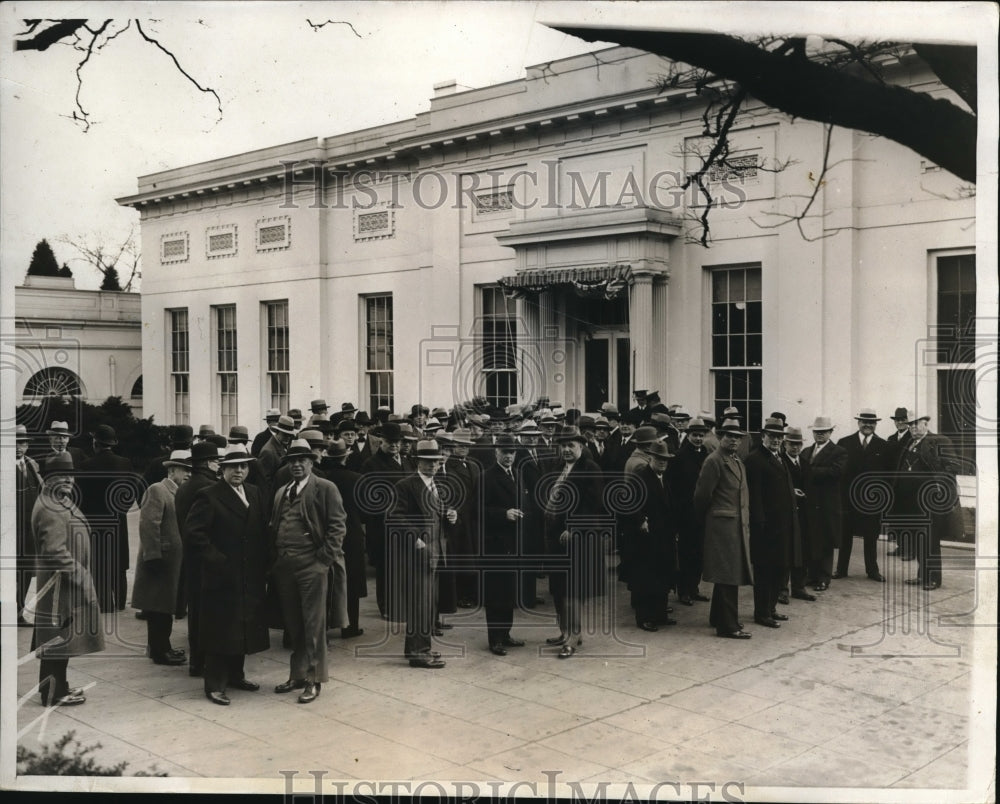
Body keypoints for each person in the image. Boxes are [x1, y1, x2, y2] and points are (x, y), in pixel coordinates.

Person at [183, 444, 269, 705]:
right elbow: (193, 534)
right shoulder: (209, 495)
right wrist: (217, 561)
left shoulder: (254, 493)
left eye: (243, 466)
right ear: (222, 469)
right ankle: (214, 684)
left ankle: (236, 675)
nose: (239, 471)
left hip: (248, 574)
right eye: (233, 467)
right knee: (220, 630)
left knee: (241, 627)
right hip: (220, 575)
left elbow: (261, 530)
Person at [268, 439, 347, 704]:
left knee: (314, 625)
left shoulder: (325, 488)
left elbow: (338, 527)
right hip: (284, 566)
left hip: (311, 565)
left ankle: (314, 679)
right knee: (293, 625)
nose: (297, 464)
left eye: (302, 460)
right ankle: (298, 674)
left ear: (312, 462)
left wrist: (322, 560)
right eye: (292, 460)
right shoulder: (282, 491)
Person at [31, 452, 105, 706]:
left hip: (61, 586)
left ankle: (55, 688)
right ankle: (54, 693)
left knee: (58, 641)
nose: (68, 480)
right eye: (61, 475)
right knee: (58, 642)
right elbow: (55, 552)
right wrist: (81, 575)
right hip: (61, 586)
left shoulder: (56, 499)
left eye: (71, 475)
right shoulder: (51, 508)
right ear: (49, 479)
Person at [388, 440, 456, 669]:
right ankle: (418, 652)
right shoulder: (406, 485)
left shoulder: (437, 484)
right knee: (420, 604)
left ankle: (418, 648)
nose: (432, 466)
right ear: (418, 461)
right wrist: (416, 540)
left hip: (437, 551)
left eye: (436, 462)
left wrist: (451, 515)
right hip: (419, 553)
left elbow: (440, 511)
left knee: (429, 604)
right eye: (428, 462)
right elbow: (395, 517)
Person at [541, 425, 606, 658]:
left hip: (578, 539)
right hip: (555, 538)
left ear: (581, 446)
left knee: (572, 590)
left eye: (571, 445)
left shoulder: (590, 468)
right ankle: (563, 631)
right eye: (563, 445)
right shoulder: (557, 467)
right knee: (558, 588)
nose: (566, 449)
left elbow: (594, 505)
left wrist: (574, 527)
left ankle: (573, 635)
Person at [693, 419, 753, 639]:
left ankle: (718, 617)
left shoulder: (736, 460)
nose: (734, 440)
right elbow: (701, 496)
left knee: (728, 573)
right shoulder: (714, 461)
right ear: (720, 437)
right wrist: (710, 519)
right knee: (729, 575)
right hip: (722, 527)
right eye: (729, 436)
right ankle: (728, 626)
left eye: (738, 437)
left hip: (735, 525)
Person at [132, 450, 192, 665]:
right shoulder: (158, 490)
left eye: (190, 470)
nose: (188, 474)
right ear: (171, 469)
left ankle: (163, 647)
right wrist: (154, 557)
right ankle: (159, 651)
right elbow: (149, 525)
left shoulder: (179, 492)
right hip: (159, 561)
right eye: (184, 469)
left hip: (170, 562)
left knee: (165, 608)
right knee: (158, 608)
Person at [174, 441, 222, 677]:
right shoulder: (209, 487)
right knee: (209, 613)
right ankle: (203, 662)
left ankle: (196, 661)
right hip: (206, 556)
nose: (217, 465)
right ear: (206, 463)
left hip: (190, 557)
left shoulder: (184, 486)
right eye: (215, 460)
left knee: (195, 611)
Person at [897, 412, 959, 590]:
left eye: (917, 424)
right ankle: (921, 575)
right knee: (918, 538)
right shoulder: (910, 443)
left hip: (929, 500)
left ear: (926, 424)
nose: (913, 427)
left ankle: (934, 578)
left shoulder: (940, 441)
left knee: (930, 539)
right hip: (910, 501)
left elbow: (952, 466)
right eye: (910, 425)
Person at [745, 418, 797, 629]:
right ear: (763, 436)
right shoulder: (755, 459)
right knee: (764, 572)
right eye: (772, 436)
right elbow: (755, 497)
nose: (776, 440)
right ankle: (762, 612)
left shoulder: (779, 458)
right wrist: (759, 525)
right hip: (766, 528)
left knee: (779, 569)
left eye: (779, 436)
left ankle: (771, 608)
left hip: (782, 526)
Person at [79, 424, 135, 612]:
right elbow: (131, 492)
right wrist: (122, 511)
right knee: (119, 563)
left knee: (99, 563)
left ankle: (104, 603)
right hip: (118, 520)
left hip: (95, 522)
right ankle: (120, 602)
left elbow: (81, 497)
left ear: (95, 443)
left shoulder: (86, 466)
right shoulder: (125, 463)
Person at [481, 434, 528, 655]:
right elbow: (477, 512)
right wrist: (503, 514)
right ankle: (495, 638)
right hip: (496, 544)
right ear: (496, 452)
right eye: (504, 452)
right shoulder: (486, 477)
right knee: (496, 592)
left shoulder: (518, 474)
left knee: (509, 590)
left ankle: (506, 633)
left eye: (512, 453)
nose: (509, 456)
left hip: (514, 542)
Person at [320, 438, 369, 638]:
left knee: (327, 578)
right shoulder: (357, 478)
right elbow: (366, 511)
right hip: (352, 533)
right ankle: (351, 626)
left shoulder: (322, 479)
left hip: (327, 533)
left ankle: (323, 624)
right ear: (345, 458)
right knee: (352, 579)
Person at [626, 440, 676, 631]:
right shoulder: (641, 476)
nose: (662, 462)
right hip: (645, 537)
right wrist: (640, 520)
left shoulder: (663, 477)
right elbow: (630, 503)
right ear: (650, 458)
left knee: (662, 576)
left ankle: (660, 614)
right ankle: (644, 617)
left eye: (665, 459)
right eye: (658, 459)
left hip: (662, 535)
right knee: (646, 579)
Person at [837, 409, 890, 581]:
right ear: (858, 423)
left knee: (871, 536)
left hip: (871, 501)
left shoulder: (883, 446)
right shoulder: (844, 443)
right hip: (848, 500)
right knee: (845, 536)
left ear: (876, 424)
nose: (868, 425)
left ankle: (872, 571)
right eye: (864, 422)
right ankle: (841, 569)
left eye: (872, 422)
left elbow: (887, 476)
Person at [801, 416, 847, 591]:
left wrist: (809, 472)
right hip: (810, 503)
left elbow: (836, 472)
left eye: (823, 432)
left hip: (827, 504)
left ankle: (824, 578)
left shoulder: (839, 451)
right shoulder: (806, 451)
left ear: (830, 432)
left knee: (826, 541)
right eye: (817, 432)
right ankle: (812, 576)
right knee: (812, 540)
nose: (819, 435)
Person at [670, 417, 711, 606]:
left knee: (700, 552)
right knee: (686, 552)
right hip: (685, 513)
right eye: (695, 435)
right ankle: (684, 590)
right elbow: (674, 488)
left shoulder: (707, 454)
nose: (698, 439)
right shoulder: (680, 456)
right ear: (688, 435)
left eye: (701, 436)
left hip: (703, 512)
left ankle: (694, 588)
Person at [781, 427, 817, 603]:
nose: (795, 448)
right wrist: (790, 493)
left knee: (802, 550)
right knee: (786, 551)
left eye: (798, 444)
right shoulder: (780, 462)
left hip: (804, 515)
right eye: (791, 444)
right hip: (786, 515)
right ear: (785, 444)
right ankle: (782, 589)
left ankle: (798, 587)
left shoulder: (805, 463)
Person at [15, 425, 43, 626]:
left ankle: (19, 610)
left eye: (22, 443)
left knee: (25, 571)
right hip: (11, 529)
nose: (18, 447)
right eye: (15, 442)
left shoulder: (32, 465)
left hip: (29, 529)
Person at [885, 407, 915, 559]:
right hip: (893, 484)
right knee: (895, 516)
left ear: (908, 422)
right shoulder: (890, 439)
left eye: (903, 419)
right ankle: (901, 546)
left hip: (907, 484)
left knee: (907, 516)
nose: (901, 422)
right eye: (898, 420)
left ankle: (910, 550)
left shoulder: (912, 438)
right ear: (895, 422)